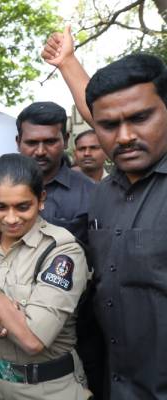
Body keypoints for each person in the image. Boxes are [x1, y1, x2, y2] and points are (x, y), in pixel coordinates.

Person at [46, 36, 167, 397]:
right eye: (109, 126)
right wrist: (67, 63)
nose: (126, 136)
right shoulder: (101, 196)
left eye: (141, 118)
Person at [0, 154, 91, 399]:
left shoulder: (62, 251)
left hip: (44, 387)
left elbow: (32, 340)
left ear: (40, 200)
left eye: (22, 206)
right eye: (0, 206)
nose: (11, 218)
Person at [16, 101, 95, 243]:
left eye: (50, 142)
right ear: (18, 142)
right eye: (31, 143)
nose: (40, 151)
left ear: (65, 140)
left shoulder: (90, 192)